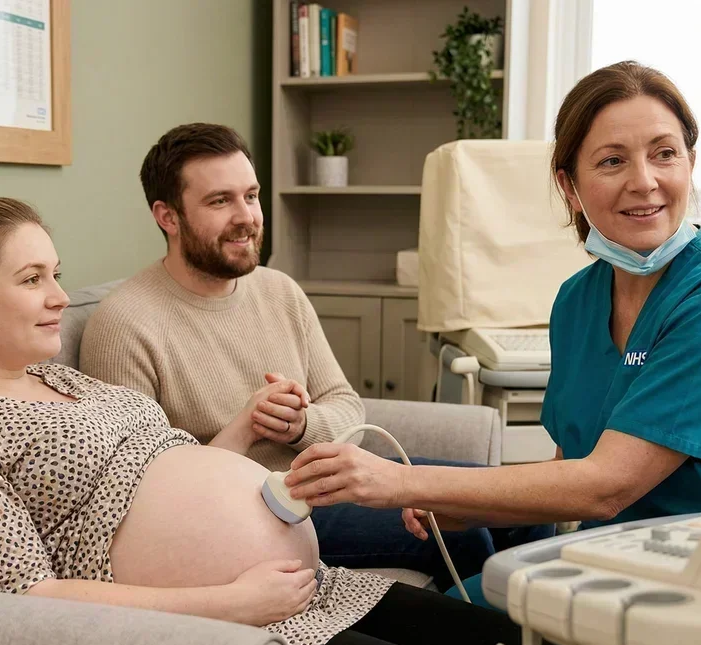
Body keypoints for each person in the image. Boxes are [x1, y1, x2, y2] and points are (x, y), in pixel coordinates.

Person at [0, 195, 523, 645]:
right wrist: (233, 603)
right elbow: (23, 596)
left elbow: (163, 464)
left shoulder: (58, 378)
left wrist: (241, 436)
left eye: (56, 275)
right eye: (33, 279)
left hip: (310, 589)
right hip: (221, 627)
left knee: (504, 641)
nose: (61, 297)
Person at [280, 61, 701, 606]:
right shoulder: (577, 300)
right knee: (385, 614)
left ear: (690, 165)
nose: (644, 180)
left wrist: (400, 482)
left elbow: (607, 487)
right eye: (611, 161)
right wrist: (467, 507)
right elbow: (569, 470)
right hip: (610, 563)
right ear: (570, 186)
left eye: (664, 153)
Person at [77, 122, 500, 591]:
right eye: (220, 201)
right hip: (260, 515)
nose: (247, 217)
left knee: (509, 504)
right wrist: (248, 423)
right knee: (464, 532)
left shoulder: (280, 291)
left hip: (330, 480)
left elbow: (345, 404)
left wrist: (300, 426)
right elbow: (149, 499)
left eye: (251, 196)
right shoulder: (124, 324)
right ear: (167, 216)